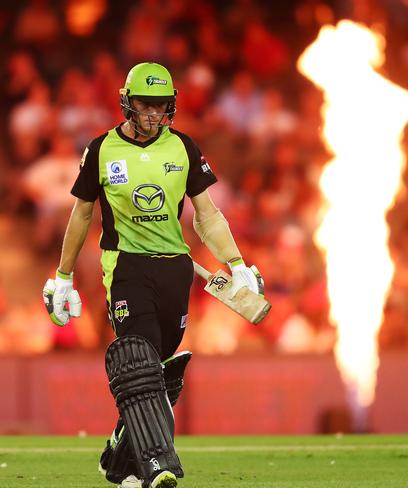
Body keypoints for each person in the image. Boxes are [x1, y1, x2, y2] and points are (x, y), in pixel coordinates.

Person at [42, 62, 264, 488]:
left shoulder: (183, 147)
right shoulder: (102, 150)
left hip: (175, 269)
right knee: (138, 358)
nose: (153, 115)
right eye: (146, 106)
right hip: (126, 267)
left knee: (156, 373)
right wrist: (63, 275)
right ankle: (157, 464)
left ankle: (119, 460)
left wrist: (236, 264)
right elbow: (82, 213)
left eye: (161, 107)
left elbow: (207, 216)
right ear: (127, 103)